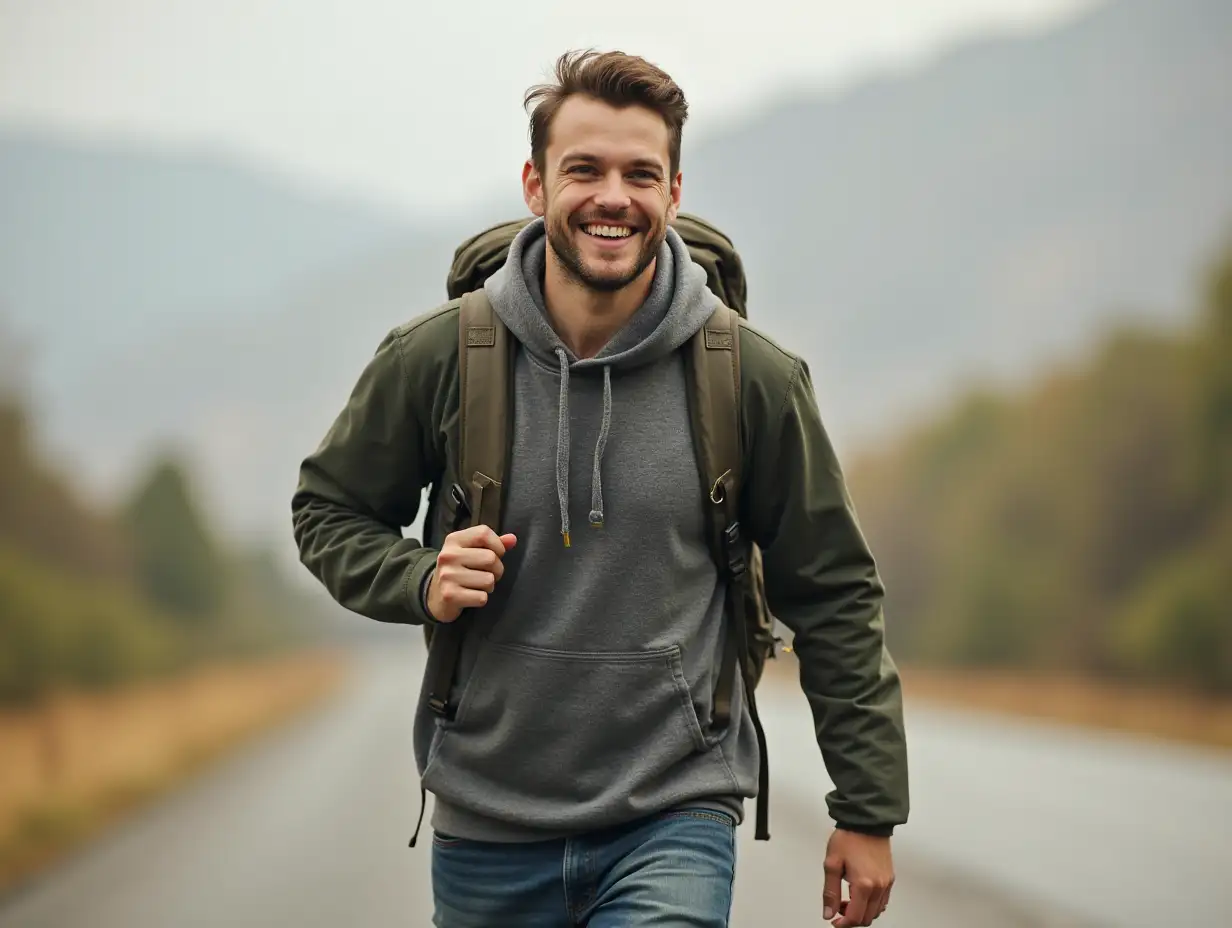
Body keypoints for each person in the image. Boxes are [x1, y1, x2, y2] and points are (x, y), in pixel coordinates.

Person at [291, 48, 908, 928]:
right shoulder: (438, 359)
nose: (612, 196)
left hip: (674, 815)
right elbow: (327, 512)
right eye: (584, 169)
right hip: (488, 822)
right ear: (536, 186)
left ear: (674, 191)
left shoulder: (751, 379)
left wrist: (867, 808)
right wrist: (420, 578)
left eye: (639, 173)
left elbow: (836, 591)